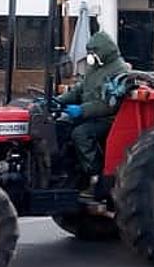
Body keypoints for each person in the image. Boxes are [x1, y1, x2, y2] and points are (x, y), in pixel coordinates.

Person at [56, 30, 130, 178]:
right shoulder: (95, 68)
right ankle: (64, 171)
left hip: (108, 119)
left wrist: (81, 110)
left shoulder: (119, 70)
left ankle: (95, 173)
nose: (90, 55)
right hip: (90, 115)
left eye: (93, 51)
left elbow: (109, 104)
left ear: (104, 51)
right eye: (89, 51)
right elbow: (79, 89)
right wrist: (58, 100)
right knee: (60, 125)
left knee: (81, 134)